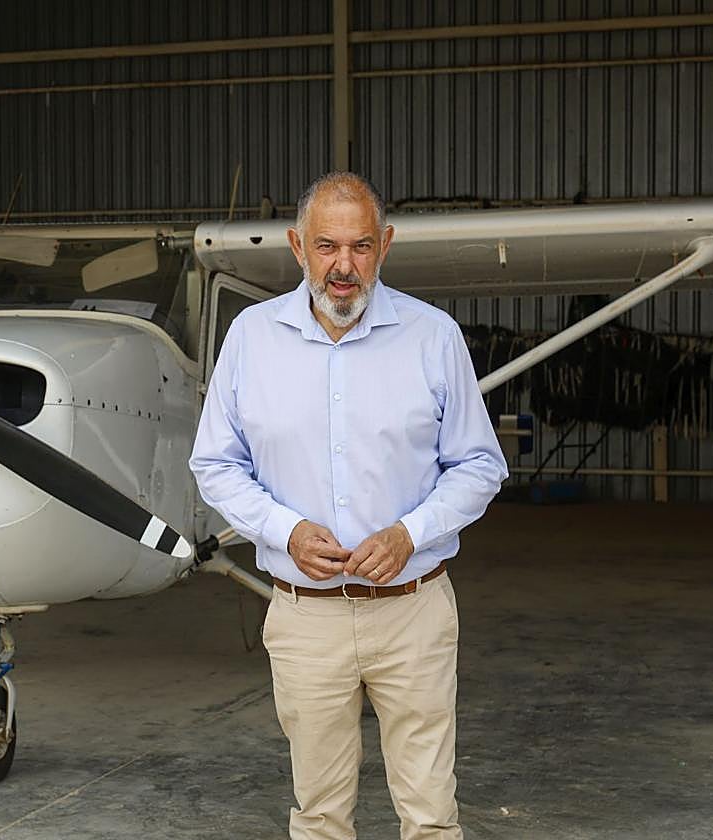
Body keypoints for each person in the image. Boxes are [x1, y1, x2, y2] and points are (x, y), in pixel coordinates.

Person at [189, 172, 508, 840]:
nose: (344, 266)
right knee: (319, 816)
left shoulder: (433, 336)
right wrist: (284, 530)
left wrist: (409, 533)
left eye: (361, 246)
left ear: (384, 245)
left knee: (430, 816)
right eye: (327, 246)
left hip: (412, 611)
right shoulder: (251, 338)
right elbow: (214, 463)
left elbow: (480, 464)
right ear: (297, 246)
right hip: (305, 618)